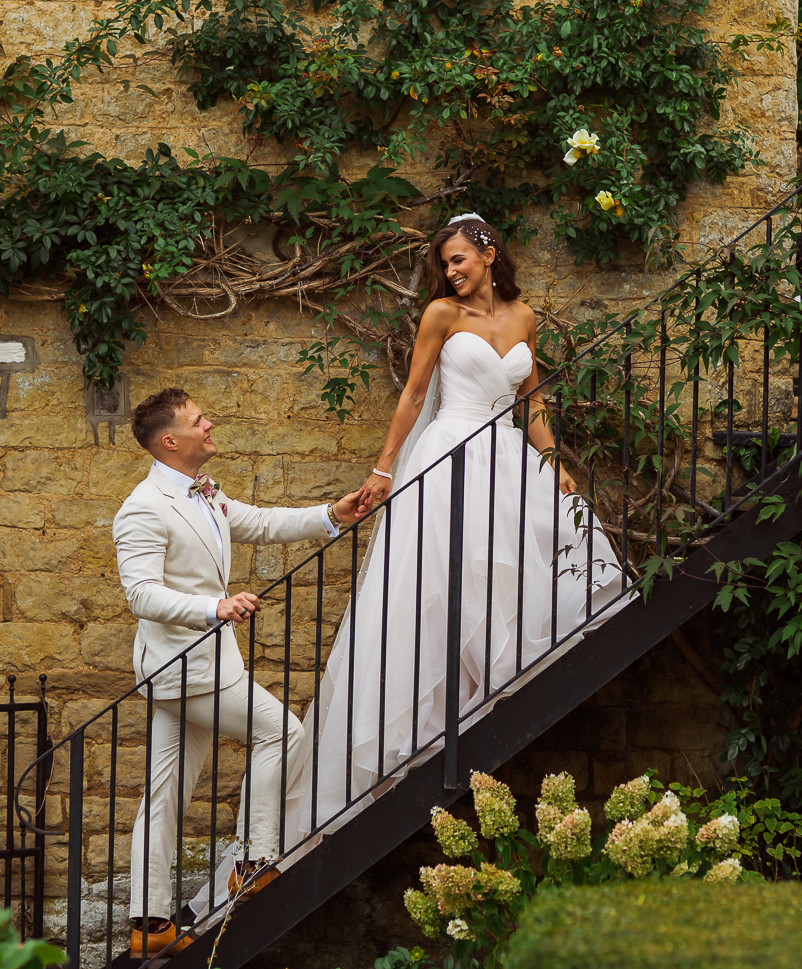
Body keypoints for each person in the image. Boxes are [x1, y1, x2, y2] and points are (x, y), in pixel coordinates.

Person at [278, 213, 624, 849]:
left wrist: (555, 464)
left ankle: (488, 689)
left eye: (460, 259)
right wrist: (384, 469)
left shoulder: (523, 316)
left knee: (508, 570)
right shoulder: (440, 314)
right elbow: (412, 396)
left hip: (509, 458)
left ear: (489, 253)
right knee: (441, 581)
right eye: (445, 264)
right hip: (447, 457)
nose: (452, 272)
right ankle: (425, 724)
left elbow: (534, 401)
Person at [113, 387, 368, 957]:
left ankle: (149, 926)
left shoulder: (204, 492)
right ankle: (254, 860)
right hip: (190, 669)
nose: (211, 425)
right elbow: (141, 595)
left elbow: (254, 521)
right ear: (171, 440)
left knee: (164, 795)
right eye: (199, 420)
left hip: (195, 669)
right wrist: (215, 609)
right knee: (281, 729)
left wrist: (330, 516)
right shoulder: (142, 508)